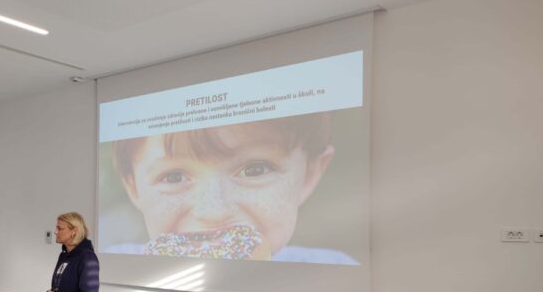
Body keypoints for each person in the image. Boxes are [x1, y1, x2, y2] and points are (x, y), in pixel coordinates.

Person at [106, 113, 358, 264]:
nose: (213, 211)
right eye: (173, 176)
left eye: (255, 170)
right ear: (134, 188)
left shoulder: (335, 272)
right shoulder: (110, 269)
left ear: (308, 176)